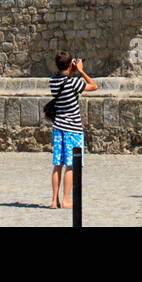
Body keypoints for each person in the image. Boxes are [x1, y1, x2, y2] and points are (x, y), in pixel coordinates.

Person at [48, 51, 97, 209]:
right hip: (72, 128)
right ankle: (67, 199)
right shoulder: (73, 82)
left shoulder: (53, 81)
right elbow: (94, 86)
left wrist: (71, 71)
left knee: (57, 164)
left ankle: (54, 200)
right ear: (71, 64)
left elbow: (63, 80)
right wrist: (81, 71)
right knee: (70, 164)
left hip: (58, 127)